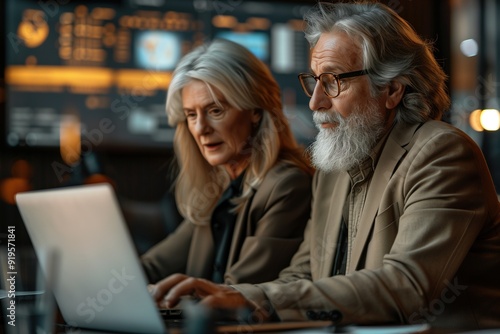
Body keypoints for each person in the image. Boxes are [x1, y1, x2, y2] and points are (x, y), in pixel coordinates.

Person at [148, 1, 500, 330]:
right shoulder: (332, 170)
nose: (316, 102)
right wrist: (231, 297)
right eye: (314, 81)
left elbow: (405, 287)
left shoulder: (441, 152)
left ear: (392, 89)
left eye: (333, 81)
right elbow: (303, 276)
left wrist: (245, 297)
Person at [140, 38, 314, 286]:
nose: (200, 128)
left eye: (215, 111)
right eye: (191, 115)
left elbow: (237, 294)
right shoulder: (221, 186)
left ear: (255, 109)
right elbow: (154, 266)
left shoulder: (287, 185)